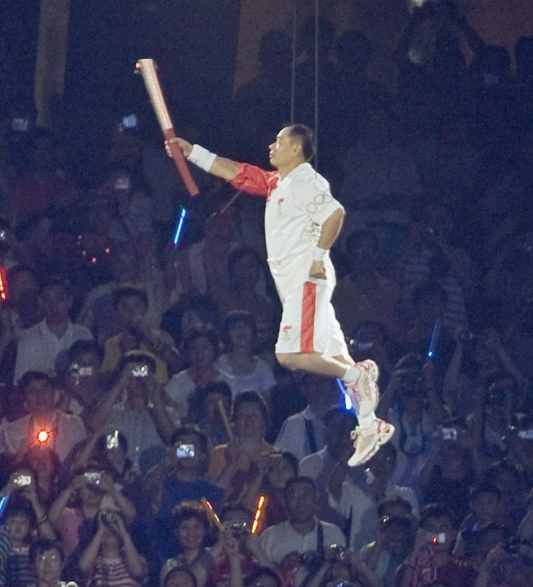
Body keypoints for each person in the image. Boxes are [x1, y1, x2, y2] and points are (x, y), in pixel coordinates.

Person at [166, 127, 391, 466]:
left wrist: (317, 257)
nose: (272, 146)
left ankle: (357, 376)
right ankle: (370, 423)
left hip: (306, 278)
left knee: (289, 355)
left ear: (298, 149)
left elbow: (335, 215)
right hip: (295, 281)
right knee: (334, 354)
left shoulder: (306, 182)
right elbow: (236, 173)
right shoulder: (276, 183)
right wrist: (191, 151)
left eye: (280, 142)